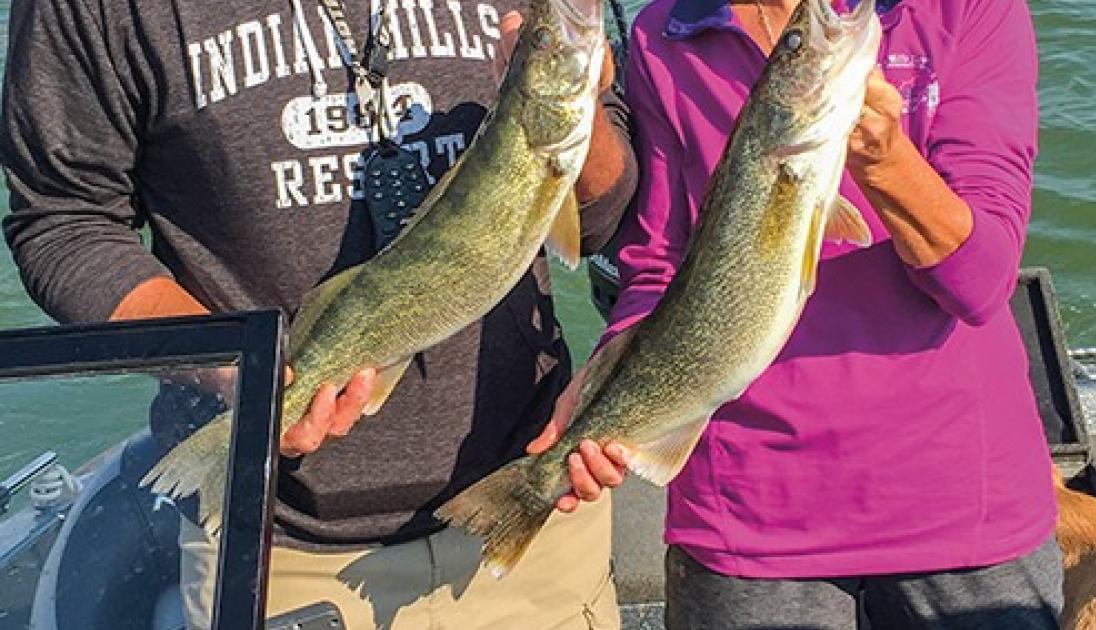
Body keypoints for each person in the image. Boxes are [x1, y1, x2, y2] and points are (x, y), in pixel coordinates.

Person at [1, 0, 635, 628]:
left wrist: (573, 99)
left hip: (531, 524)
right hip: (274, 554)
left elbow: (603, 217)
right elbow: (62, 221)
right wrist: (241, 374)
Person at [532, 0, 1064, 627]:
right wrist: (609, 377)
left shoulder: (967, 11)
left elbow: (980, 280)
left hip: (959, 504)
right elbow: (659, 265)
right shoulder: (664, 31)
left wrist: (886, 162)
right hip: (744, 515)